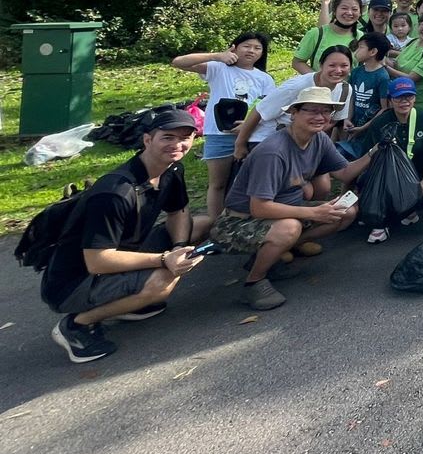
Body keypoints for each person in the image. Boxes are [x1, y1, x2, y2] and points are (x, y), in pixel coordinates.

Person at [44, 109, 211, 363]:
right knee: (161, 282)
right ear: (147, 140)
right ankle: (76, 325)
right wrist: (166, 259)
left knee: (201, 225)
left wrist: (179, 246)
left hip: (123, 253)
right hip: (75, 282)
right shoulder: (116, 193)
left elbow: (179, 211)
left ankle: (131, 302)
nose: (177, 144)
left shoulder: (171, 169)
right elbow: (98, 261)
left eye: (185, 137)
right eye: (168, 137)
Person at [212, 86, 371, 311]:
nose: (320, 117)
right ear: (293, 113)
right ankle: (254, 282)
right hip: (238, 220)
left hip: (288, 209)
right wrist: (315, 212)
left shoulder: (319, 140)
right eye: (312, 111)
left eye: (326, 111)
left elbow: (345, 173)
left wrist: (374, 153)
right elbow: (259, 208)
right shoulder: (273, 151)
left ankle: (270, 254)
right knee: (289, 228)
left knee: (347, 209)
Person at [170, 32, 275, 221]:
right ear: (234, 47)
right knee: (218, 183)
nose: (251, 51)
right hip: (219, 133)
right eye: (246, 46)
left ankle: (245, 219)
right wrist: (217, 55)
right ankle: (215, 223)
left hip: (251, 134)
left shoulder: (264, 78)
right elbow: (178, 62)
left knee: (249, 181)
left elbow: (270, 108)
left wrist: (249, 124)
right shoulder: (218, 68)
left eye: (257, 48)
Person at [350, 77, 423, 241]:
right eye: (398, 97)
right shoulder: (380, 122)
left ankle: (405, 211)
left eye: (409, 96)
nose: (404, 101)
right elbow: (367, 155)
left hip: (415, 176)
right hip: (385, 176)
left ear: (414, 97)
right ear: (391, 99)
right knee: (373, 188)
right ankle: (385, 220)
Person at [232, 48, 352, 162]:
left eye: (344, 66)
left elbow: (333, 120)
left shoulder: (345, 89)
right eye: (332, 65)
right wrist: (240, 144)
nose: (338, 70)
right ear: (321, 65)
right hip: (269, 138)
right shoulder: (297, 86)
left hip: (302, 141)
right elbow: (260, 110)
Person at [294, 0, 363, 73]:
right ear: (334, 11)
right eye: (344, 8)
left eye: (354, 9)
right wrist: (318, 80)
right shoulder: (317, 34)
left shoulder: (361, 37)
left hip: (348, 85)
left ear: (360, 13)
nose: (349, 12)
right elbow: (297, 62)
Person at [391, 13, 423, 113]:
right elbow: (396, 64)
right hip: (400, 100)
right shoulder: (413, 42)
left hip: (420, 104)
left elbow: (411, 78)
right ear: (418, 25)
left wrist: (385, 67)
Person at [343, 32, 391, 141]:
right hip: (353, 125)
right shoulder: (356, 72)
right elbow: (352, 98)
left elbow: (384, 108)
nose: (356, 51)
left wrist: (363, 128)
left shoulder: (383, 77)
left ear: (373, 51)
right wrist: (347, 118)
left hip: (369, 130)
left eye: (361, 47)